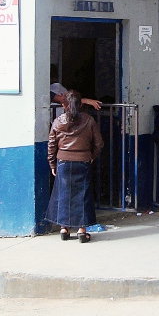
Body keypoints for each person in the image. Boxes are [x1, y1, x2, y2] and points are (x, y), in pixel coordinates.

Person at [46, 91, 104, 243]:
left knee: (63, 194)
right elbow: (99, 143)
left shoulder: (58, 121)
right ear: (80, 104)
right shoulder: (89, 120)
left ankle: (64, 229)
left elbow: (52, 145)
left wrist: (52, 163)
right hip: (83, 161)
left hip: (63, 162)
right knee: (82, 196)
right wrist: (91, 156)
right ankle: (81, 231)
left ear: (63, 105)